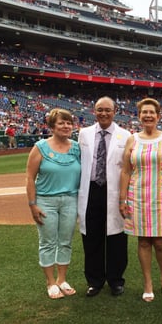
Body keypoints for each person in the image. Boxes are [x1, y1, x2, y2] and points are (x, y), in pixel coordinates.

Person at [119, 98, 162, 302]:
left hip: (161, 196)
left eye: (151, 112)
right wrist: (122, 199)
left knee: (161, 242)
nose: (148, 115)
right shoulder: (132, 139)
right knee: (143, 241)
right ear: (139, 116)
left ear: (158, 115)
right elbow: (126, 171)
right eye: (144, 112)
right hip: (137, 196)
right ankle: (147, 283)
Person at [77, 96, 131, 297]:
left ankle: (116, 280)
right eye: (100, 109)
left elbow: (127, 168)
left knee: (117, 237)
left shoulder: (125, 135)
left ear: (115, 111)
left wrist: (125, 197)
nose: (104, 113)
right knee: (91, 237)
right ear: (94, 111)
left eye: (108, 110)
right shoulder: (84, 134)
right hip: (91, 191)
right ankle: (94, 280)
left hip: (114, 191)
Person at [25, 108, 81, 299]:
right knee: (48, 242)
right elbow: (30, 177)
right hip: (45, 201)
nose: (66, 126)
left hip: (70, 200)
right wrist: (32, 204)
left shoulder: (76, 147)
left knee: (65, 241)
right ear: (52, 126)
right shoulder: (40, 147)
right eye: (61, 123)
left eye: (69, 123)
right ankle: (50, 283)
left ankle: (62, 279)